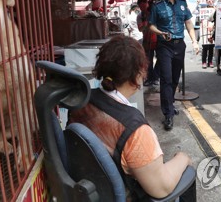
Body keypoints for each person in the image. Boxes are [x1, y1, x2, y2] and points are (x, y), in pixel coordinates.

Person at [68, 35, 195, 201]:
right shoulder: (135, 130)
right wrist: (183, 158)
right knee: (187, 172)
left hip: (90, 191)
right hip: (124, 195)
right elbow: (161, 188)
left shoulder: (82, 101)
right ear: (138, 74)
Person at [148, 0, 200, 131]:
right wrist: (160, 32)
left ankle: (169, 104)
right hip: (164, 46)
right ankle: (168, 114)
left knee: (175, 78)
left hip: (180, 46)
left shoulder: (182, 4)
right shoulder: (157, 6)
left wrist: (195, 41)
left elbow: (189, 23)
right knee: (166, 78)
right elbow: (151, 25)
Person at [137, 0, 159, 86]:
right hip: (147, 40)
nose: (143, 8)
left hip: (157, 39)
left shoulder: (154, 13)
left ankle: (155, 76)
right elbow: (140, 29)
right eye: (141, 7)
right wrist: (147, 22)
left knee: (161, 58)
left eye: (144, 6)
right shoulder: (140, 16)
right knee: (148, 61)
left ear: (147, 4)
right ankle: (150, 78)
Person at [201, 0, 215, 68]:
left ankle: (210, 61)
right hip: (204, 30)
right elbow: (200, 19)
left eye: (212, 0)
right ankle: (204, 62)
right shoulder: (203, 9)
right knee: (205, 47)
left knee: (211, 47)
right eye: (209, 1)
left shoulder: (216, 9)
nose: (211, 2)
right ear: (206, 1)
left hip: (213, 29)